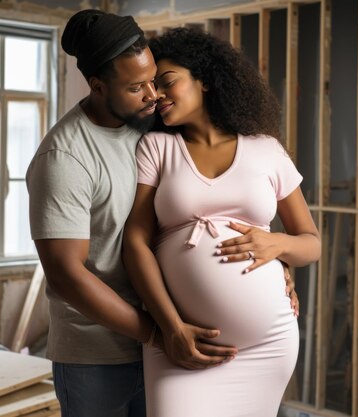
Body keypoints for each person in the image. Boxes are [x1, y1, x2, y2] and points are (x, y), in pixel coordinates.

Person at [26, 10, 245, 417]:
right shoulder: (65, 158)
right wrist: (160, 334)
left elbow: (212, 206)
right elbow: (67, 275)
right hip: (97, 358)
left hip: (168, 340)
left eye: (154, 80)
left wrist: (272, 260)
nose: (152, 94)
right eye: (135, 87)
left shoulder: (156, 126)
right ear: (97, 86)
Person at [122, 27, 321, 417]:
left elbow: (311, 243)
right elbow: (136, 243)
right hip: (183, 344)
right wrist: (171, 329)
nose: (157, 94)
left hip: (268, 343)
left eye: (168, 81)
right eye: (150, 86)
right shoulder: (158, 148)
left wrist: (277, 245)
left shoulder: (266, 150)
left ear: (206, 81)